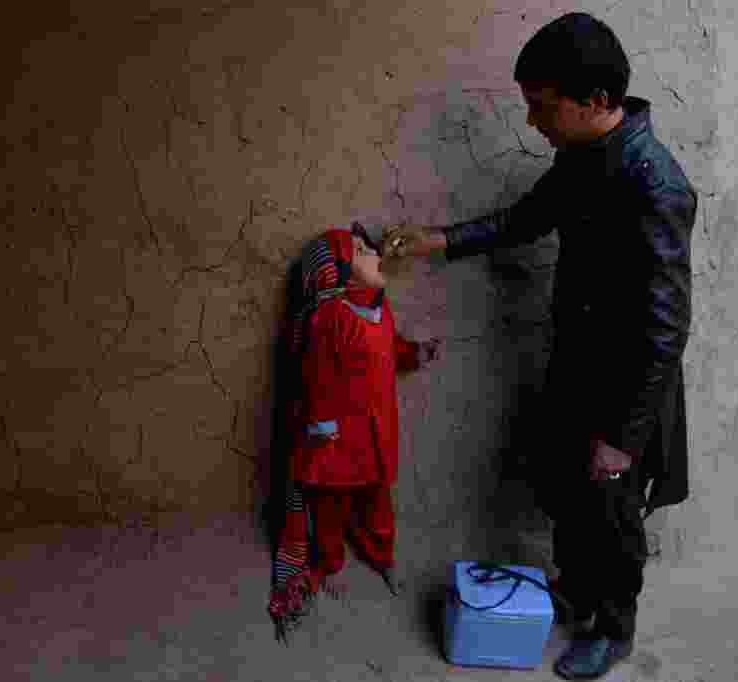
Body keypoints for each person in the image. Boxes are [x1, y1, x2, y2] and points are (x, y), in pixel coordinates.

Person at [383, 12, 697, 680]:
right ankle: (578, 594)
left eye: (542, 107)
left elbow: (666, 328)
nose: (533, 122)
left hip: (625, 385)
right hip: (576, 364)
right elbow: (527, 219)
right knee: (567, 491)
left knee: (611, 509)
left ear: (598, 102)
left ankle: (614, 629)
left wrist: (624, 434)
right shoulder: (582, 158)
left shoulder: (656, 185)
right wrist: (439, 240)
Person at [267, 222, 441, 642]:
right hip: (339, 439)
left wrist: (414, 353)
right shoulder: (329, 316)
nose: (374, 250)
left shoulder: (379, 310)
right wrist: (321, 428)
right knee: (331, 509)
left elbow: (389, 348)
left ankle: (381, 557)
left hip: (376, 434)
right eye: (361, 249)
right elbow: (316, 376)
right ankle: (328, 565)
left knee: (377, 502)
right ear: (336, 272)